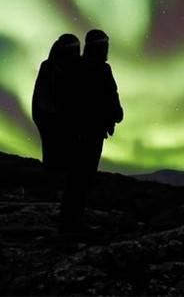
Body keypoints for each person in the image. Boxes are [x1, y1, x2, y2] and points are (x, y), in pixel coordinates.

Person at [59, 28, 123, 229]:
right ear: (99, 47)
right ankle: (71, 223)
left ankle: (70, 220)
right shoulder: (101, 70)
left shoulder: (74, 67)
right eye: (105, 47)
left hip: (79, 133)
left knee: (77, 178)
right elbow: (111, 96)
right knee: (82, 177)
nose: (107, 51)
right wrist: (114, 114)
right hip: (89, 134)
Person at [31, 33, 80, 172]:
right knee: (53, 159)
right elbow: (41, 95)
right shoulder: (49, 67)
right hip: (50, 120)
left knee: (63, 160)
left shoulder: (75, 68)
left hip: (63, 121)